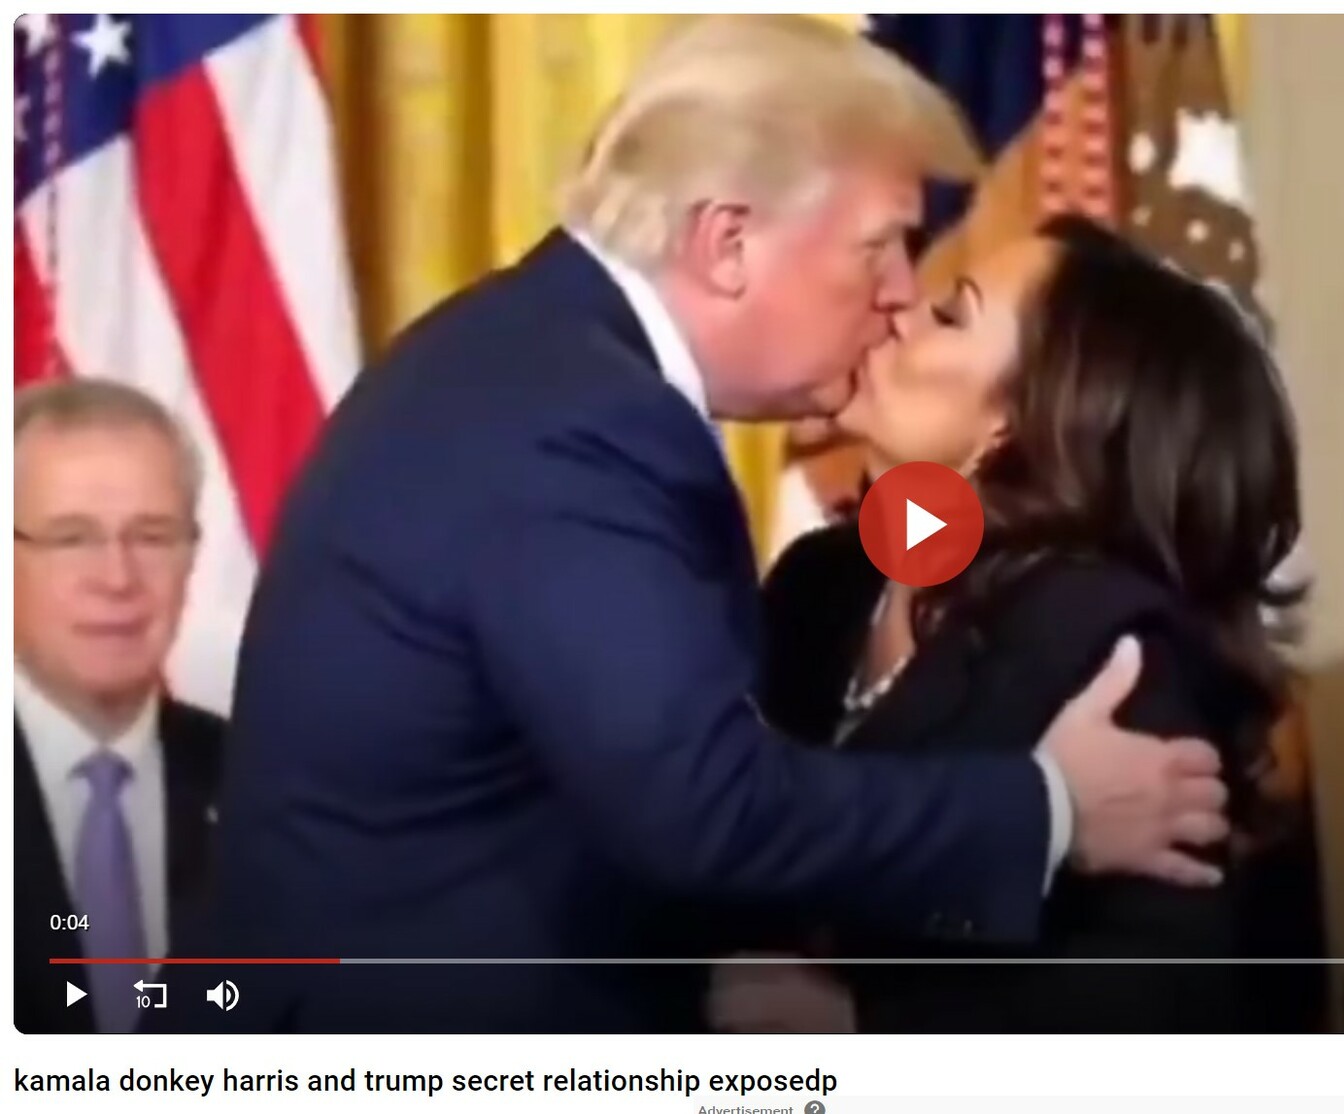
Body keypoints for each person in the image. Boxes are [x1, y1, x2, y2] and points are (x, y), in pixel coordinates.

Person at [208, 15, 1229, 1034]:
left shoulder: (542, 363)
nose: (898, 296)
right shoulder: (591, 424)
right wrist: (1046, 812)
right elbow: (704, 809)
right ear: (728, 242)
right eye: (880, 247)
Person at [714, 215, 1327, 1033]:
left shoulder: (1105, 643)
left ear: (1021, 422)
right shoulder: (817, 584)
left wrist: (868, 1027)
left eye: (949, 314)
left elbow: (1163, 1006)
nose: (896, 307)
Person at [13, 380, 226, 1034]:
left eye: (153, 537)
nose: (117, 579)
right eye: (71, 538)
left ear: (192, 556)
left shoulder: (262, 784)